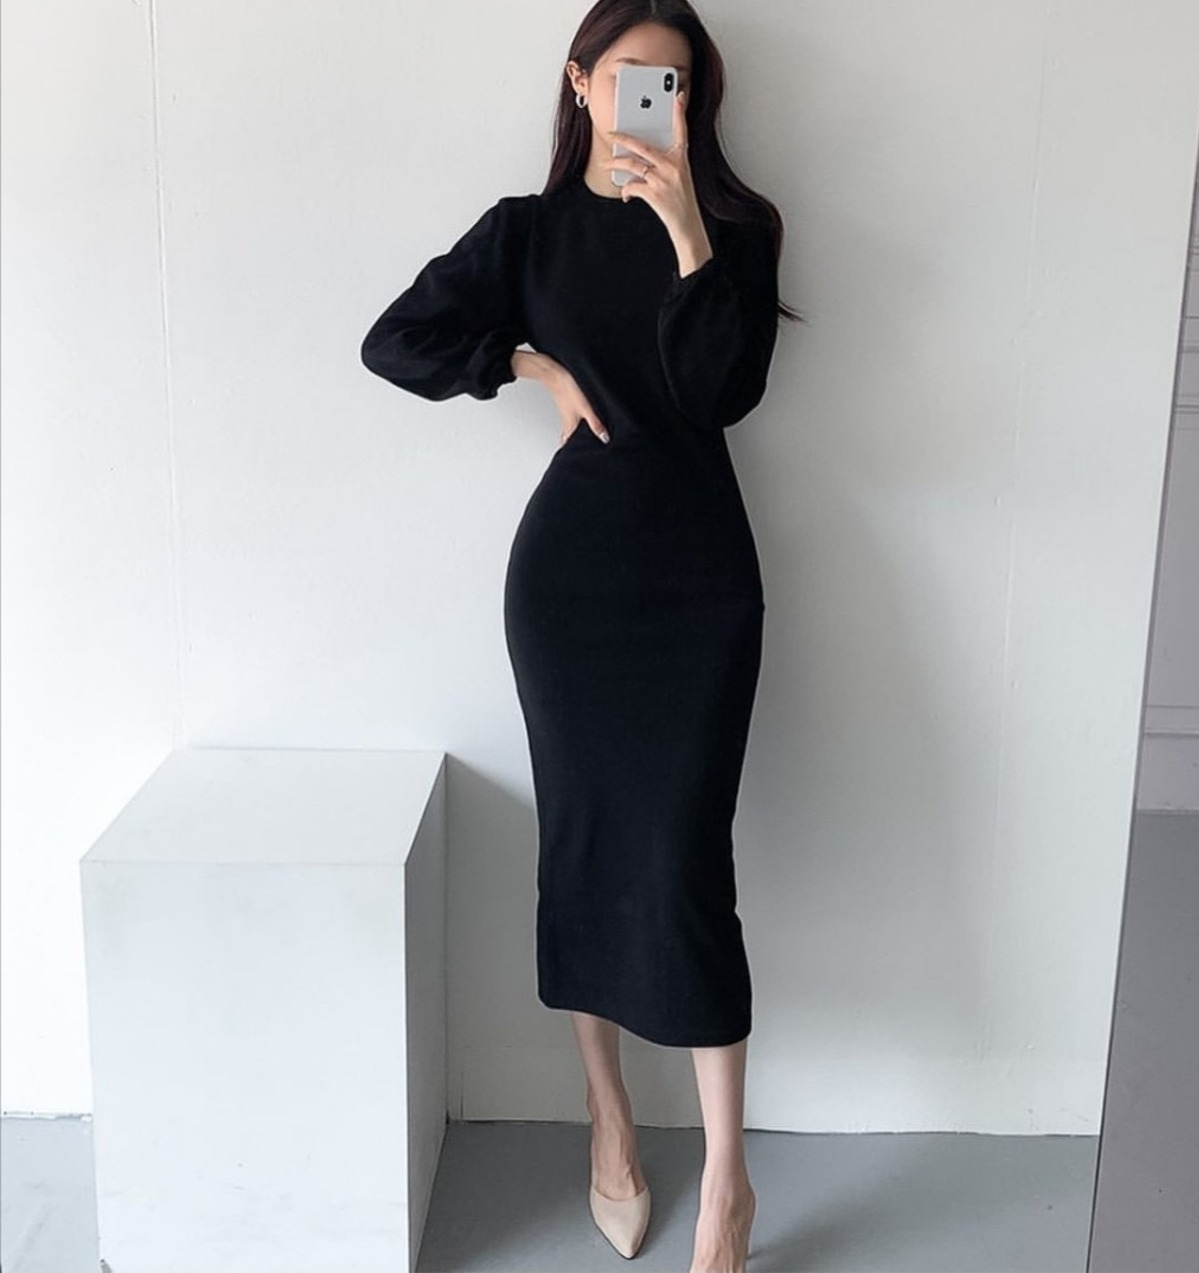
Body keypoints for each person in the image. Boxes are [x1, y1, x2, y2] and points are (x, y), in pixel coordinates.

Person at [360, 2, 798, 1268]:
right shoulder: (527, 232)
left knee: (685, 862)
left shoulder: (740, 229)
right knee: (584, 849)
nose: (653, 100)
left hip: (700, 583)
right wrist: (528, 366)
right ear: (579, 83)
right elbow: (394, 340)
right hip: (568, 588)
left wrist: (683, 228)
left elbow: (722, 392)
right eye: (629, 78)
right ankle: (607, 1118)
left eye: (676, 82)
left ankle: (726, 1184)